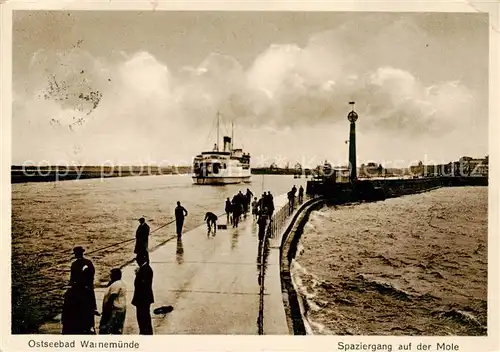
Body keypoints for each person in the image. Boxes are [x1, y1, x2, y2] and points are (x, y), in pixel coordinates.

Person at [62, 246, 98, 334]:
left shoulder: (84, 263)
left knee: (88, 305)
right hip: (81, 288)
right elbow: (73, 279)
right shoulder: (78, 264)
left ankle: (86, 324)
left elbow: (90, 276)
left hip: (83, 288)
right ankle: (82, 324)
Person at [99, 268, 127, 335]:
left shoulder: (116, 284)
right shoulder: (119, 283)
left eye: (111, 275)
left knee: (109, 329)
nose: (110, 276)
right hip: (119, 309)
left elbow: (112, 298)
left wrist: (106, 312)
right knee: (116, 330)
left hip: (114, 310)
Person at [132, 254, 154, 335]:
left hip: (142, 298)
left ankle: (145, 332)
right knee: (144, 317)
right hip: (144, 298)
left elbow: (142, 284)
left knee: (142, 317)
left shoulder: (145, 270)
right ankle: (145, 332)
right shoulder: (145, 268)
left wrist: (138, 275)